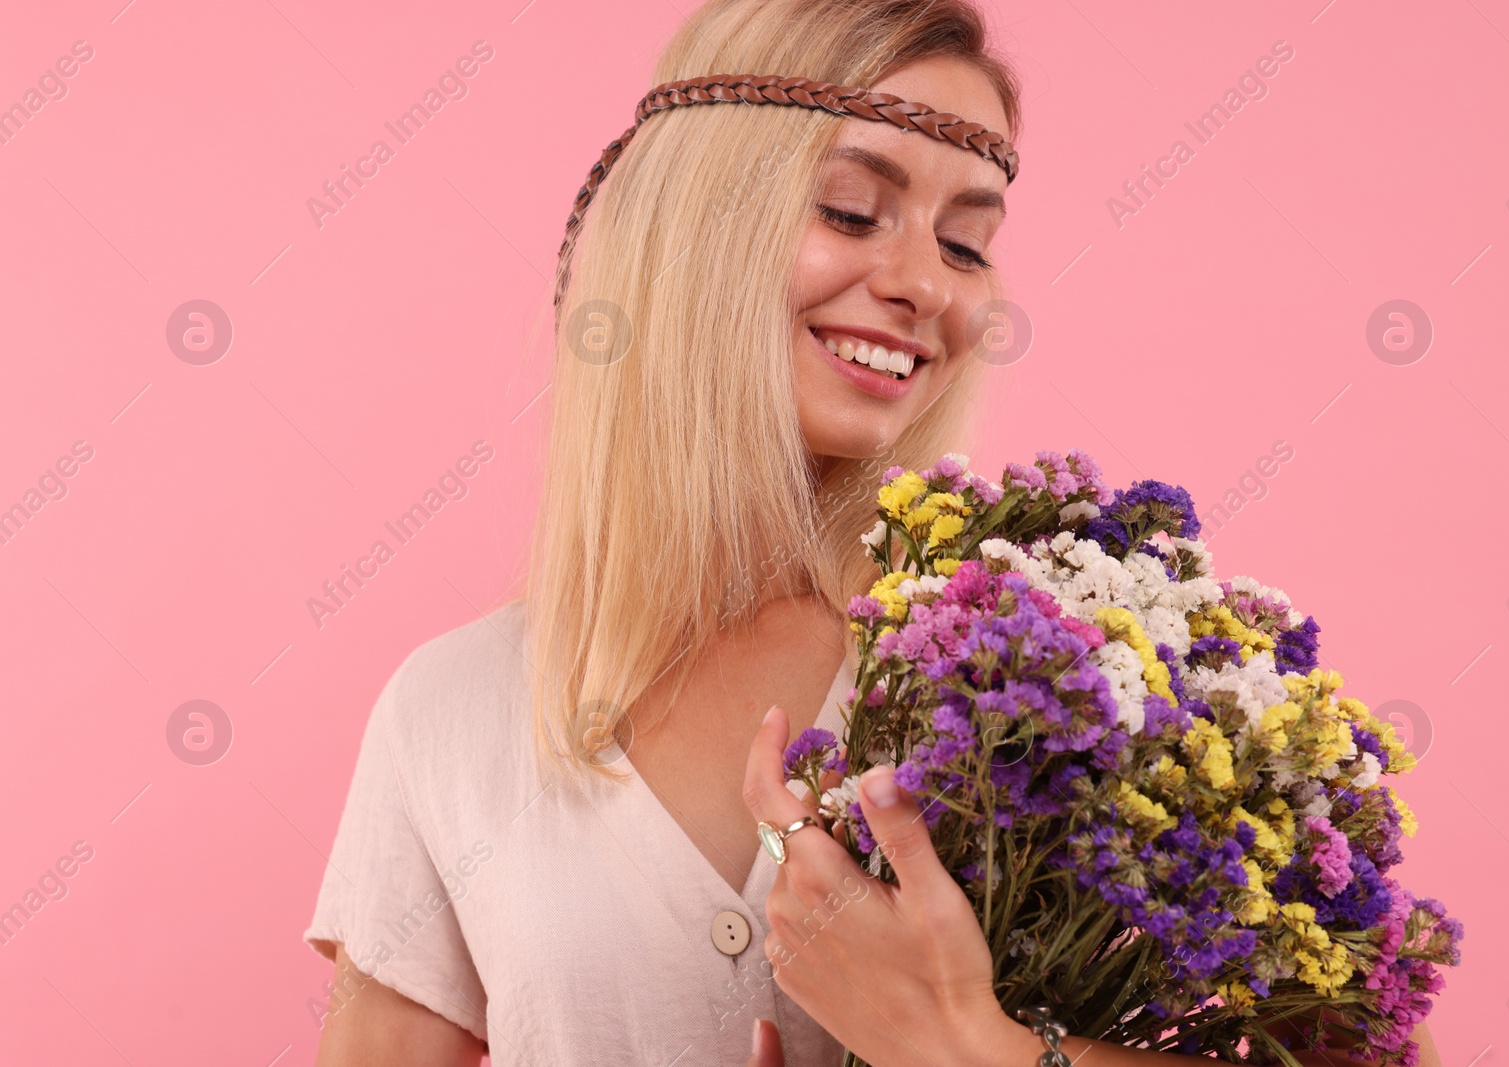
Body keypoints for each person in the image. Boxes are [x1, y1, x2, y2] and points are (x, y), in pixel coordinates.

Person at [304, 1, 1442, 1064]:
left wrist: (968, 1044)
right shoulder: (452, 712)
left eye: (964, 241)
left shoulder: (1068, 670)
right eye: (852, 210)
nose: (923, 285)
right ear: (697, 227)